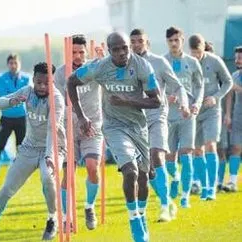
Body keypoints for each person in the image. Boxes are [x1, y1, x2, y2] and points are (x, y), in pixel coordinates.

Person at [67, 32, 162, 242]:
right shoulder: (100, 67)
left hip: (138, 126)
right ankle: (133, 220)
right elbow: (71, 81)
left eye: (125, 48)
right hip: (113, 126)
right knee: (130, 171)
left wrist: (128, 100)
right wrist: (81, 116)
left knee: (144, 177)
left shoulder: (142, 66)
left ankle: (142, 214)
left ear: (130, 47)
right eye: (116, 49)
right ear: (109, 51)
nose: (122, 53)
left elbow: (157, 101)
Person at [0, 63, 66, 241]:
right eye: (39, 82)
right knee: (7, 189)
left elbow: (51, 131)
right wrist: (11, 101)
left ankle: (52, 218)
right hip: (28, 148)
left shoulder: (57, 99)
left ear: (52, 81)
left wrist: (49, 156)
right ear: (33, 79)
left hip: (54, 147)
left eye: (47, 83)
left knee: (48, 178)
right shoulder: (27, 91)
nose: (42, 87)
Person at [130, 28, 189, 222]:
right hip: (136, 121)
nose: (137, 44)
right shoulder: (126, 64)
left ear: (147, 43)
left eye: (140, 41)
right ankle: (167, 200)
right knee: (146, 169)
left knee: (157, 155)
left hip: (157, 116)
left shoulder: (159, 62)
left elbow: (178, 86)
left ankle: (164, 207)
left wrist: (184, 104)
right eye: (134, 41)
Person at [54, 34, 103, 230]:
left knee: (92, 166)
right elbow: (55, 102)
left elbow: (114, 72)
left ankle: (89, 207)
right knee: (68, 174)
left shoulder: (96, 67)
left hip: (93, 127)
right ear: (68, 52)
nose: (77, 56)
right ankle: (66, 217)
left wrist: (103, 58)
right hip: (68, 129)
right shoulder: (60, 73)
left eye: (81, 52)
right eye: (73, 52)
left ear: (87, 52)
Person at [164, 27, 204, 209]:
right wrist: (166, 97)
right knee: (169, 158)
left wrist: (197, 103)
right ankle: (176, 177)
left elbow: (200, 86)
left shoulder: (192, 62)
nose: (174, 43)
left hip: (187, 116)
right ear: (167, 42)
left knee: (186, 154)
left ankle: (185, 196)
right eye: (170, 40)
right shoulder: (162, 62)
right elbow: (155, 87)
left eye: (176, 40)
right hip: (168, 117)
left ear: (182, 40)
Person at [189, 34, 233, 200]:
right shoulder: (185, 62)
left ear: (203, 47)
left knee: (211, 145)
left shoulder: (214, 61)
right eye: (193, 53)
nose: (196, 57)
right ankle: (204, 184)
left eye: (198, 52)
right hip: (194, 112)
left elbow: (228, 82)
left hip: (212, 111)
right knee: (197, 150)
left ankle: (211, 188)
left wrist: (216, 97)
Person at [0, 53, 31, 185]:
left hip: (21, 118)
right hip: (6, 118)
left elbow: (27, 95)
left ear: (20, 64)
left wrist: (13, 98)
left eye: (15, 63)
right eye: (11, 63)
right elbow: (3, 96)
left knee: (21, 148)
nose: (13, 66)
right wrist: (17, 97)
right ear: (8, 64)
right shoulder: (1, 78)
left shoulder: (26, 78)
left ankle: (19, 176)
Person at [223, 46, 242, 192]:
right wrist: (228, 115)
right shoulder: (234, 75)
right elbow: (229, 96)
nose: (237, 60)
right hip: (237, 116)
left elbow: (235, 89)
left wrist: (239, 89)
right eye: (236, 58)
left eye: (240, 57)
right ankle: (232, 182)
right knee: (235, 148)